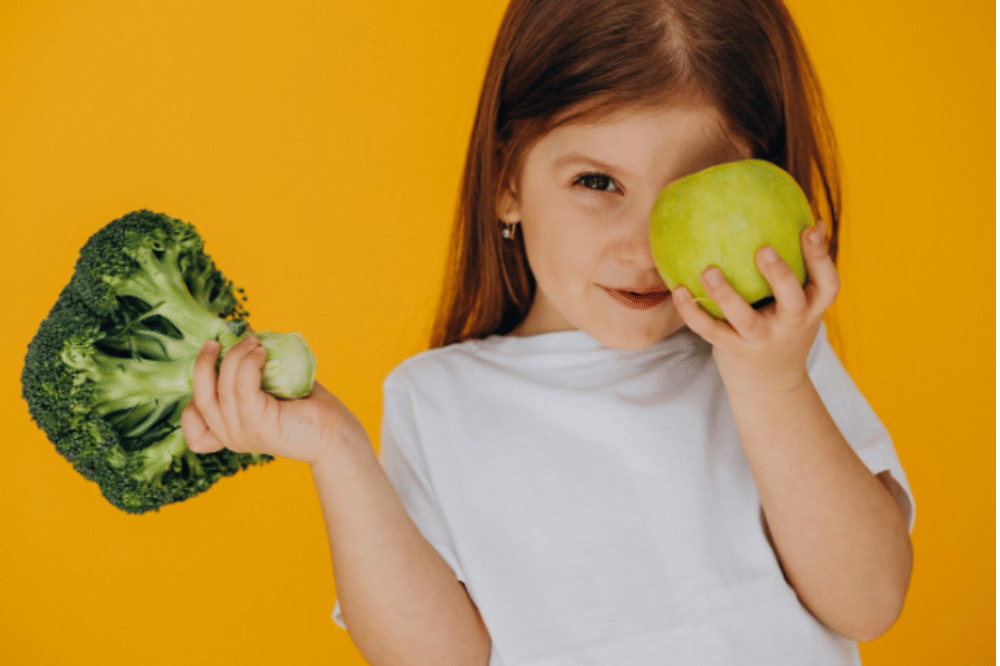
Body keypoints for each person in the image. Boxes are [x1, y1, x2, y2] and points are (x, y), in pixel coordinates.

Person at [181, 0, 916, 664]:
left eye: (691, 192)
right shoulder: (442, 400)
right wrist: (336, 452)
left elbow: (869, 601)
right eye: (597, 184)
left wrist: (773, 379)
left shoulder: (768, 351)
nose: (646, 245)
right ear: (508, 183)